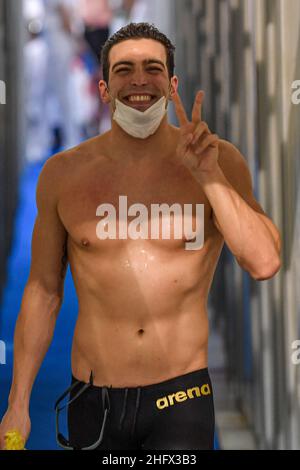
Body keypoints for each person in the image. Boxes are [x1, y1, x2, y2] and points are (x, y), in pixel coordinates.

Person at [0, 23, 281, 450]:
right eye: (124, 69)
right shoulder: (64, 174)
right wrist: (18, 401)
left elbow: (264, 262)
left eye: (152, 68)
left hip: (181, 398)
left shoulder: (219, 160)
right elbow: (43, 292)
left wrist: (210, 179)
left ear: (172, 85)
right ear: (103, 89)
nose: (138, 80)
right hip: (92, 399)